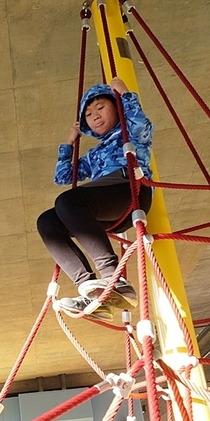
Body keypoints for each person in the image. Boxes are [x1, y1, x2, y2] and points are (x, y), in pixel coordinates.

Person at [36, 76, 154, 320]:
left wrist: (126, 95)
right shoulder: (93, 154)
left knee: (67, 202)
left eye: (101, 107)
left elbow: (141, 124)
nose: (95, 115)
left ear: (116, 107)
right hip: (108, 205)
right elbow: (63, 176)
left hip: (129, 189)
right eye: (89, 114)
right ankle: (91, 289)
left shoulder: (129, 130)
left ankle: (113, 277)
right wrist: (69, 143)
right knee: (47, 221)